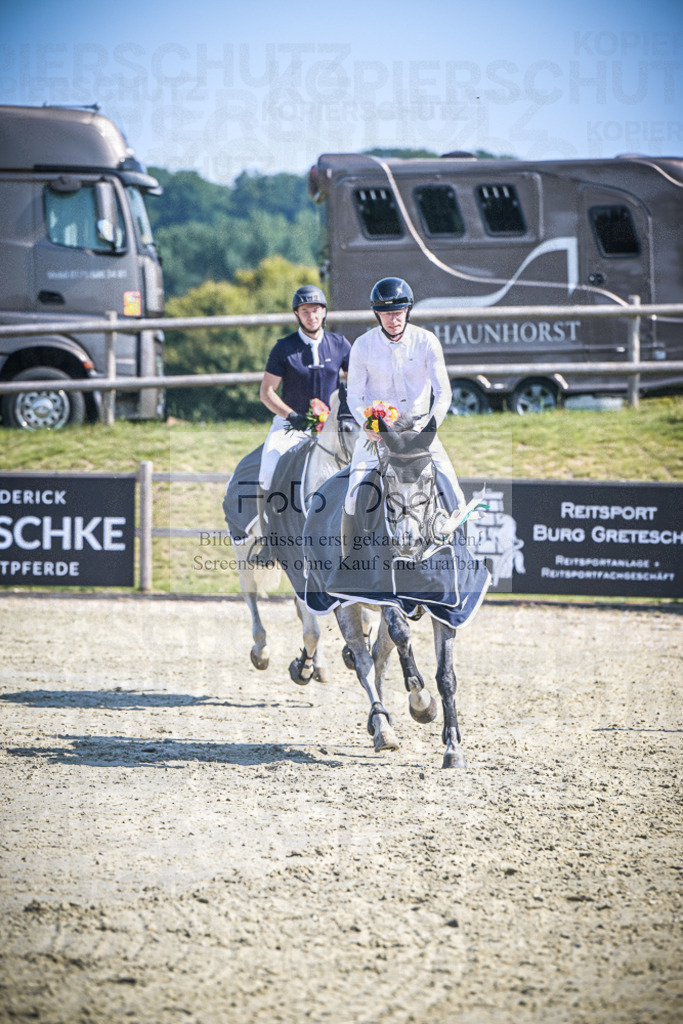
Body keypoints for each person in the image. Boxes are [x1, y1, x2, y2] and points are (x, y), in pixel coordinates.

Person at [343, 276, 464, 538]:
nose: (393, 319)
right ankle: (349, 560)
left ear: (407, 310)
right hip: (380, 432)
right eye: (386, 313)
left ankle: (465, 555)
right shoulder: (362, 346)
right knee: (352, 498)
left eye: (398, 312)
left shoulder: (427, 341)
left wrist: (428, 427)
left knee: (455, 493)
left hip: (419, 431)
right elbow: (354, 396)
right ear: (377, 313)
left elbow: (444, 393)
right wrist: (367, 424)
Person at [252, 285, 351, 560]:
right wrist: (290, 415)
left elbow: (356, 381)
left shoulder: (340, 344)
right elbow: (266, 392)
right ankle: (268, 539)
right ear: (297, 314)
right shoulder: (284, 348)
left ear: (324, 312)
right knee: (269, 466)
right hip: (291, 423)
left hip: (330, 426)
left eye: (316, 310)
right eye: (305, 311)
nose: (312, 316)